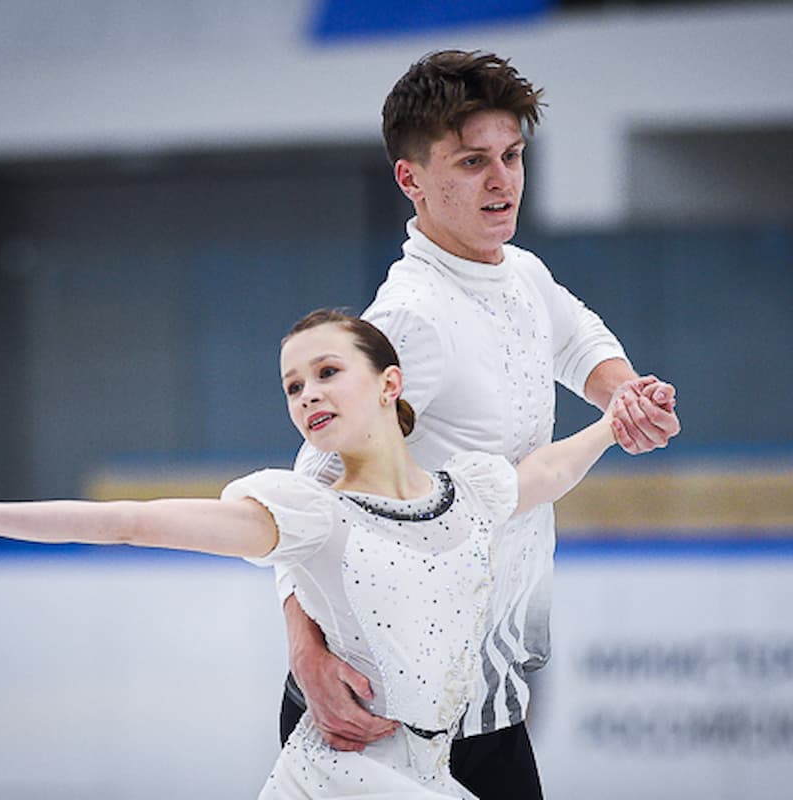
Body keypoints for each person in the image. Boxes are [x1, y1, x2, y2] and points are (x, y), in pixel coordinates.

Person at [0, 309, 658, 799]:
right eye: (292, 386)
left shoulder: (473, 489)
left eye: (326, 372)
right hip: (348, 778)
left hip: (431, 768)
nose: (307, 395)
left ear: (389, 383)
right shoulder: (307, 511)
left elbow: (546, 472)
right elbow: (129, 525)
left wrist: (616, 418)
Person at [278, 51, 682, 799]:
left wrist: (623, 394)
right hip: (380, 696)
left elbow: (576, 338)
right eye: (471, 163)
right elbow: (310, 485)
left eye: (511, 155)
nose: (502, 182)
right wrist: (305, 652)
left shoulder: (517, 272)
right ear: (412, 180)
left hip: (478, 681)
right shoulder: (409, 319)